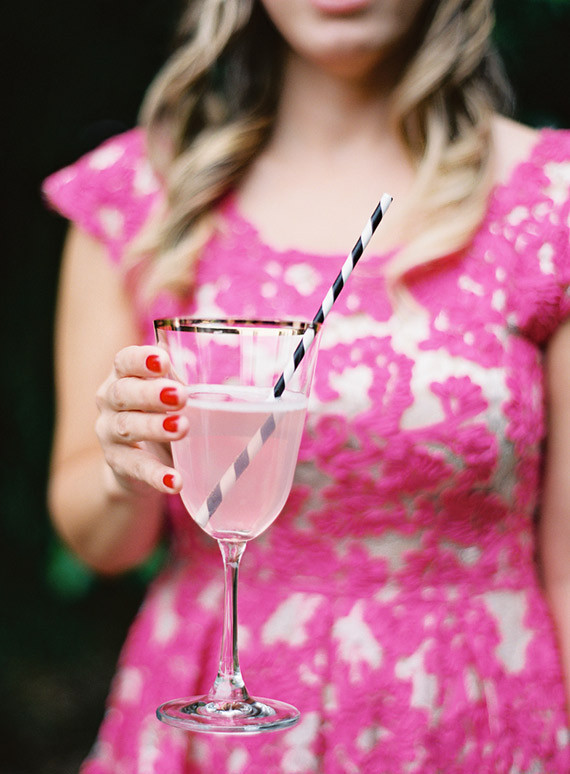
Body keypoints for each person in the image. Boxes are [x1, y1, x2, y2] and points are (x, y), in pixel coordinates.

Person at [43, 0, 570, 771]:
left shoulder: (552, 200)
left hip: (470, 716)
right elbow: (101, 547)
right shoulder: (139, 193)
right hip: (215, 729)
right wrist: (128, 472)